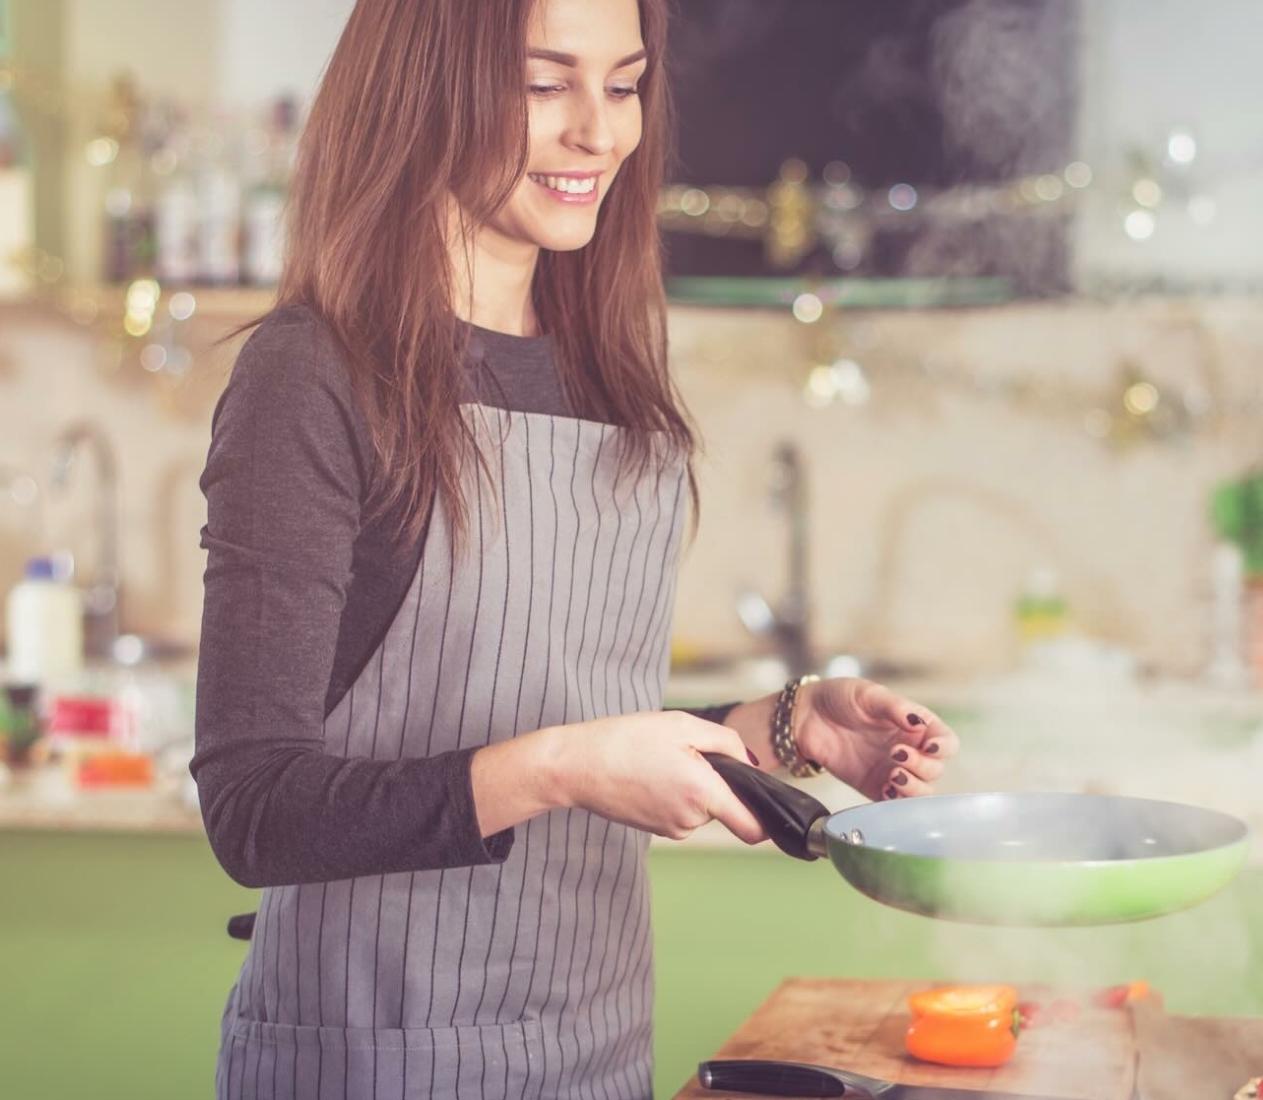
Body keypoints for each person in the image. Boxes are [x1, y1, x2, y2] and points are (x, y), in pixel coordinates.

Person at [190, 0, 962, 1096]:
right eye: (545, 84)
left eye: (624, 82)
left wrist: (777, 726)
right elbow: (254, 806)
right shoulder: (312, 377)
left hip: (591, 1047)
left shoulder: (608, 377)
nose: (598, 133)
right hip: (377, 1056)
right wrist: (563, 768)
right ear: (423, 88)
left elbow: (563, 705)